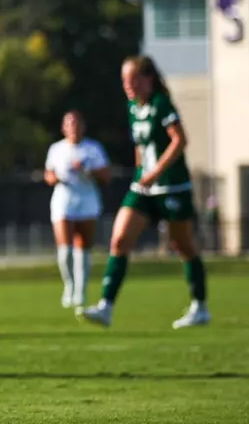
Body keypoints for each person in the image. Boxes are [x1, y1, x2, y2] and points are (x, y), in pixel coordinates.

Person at [80, 56, 211, 329]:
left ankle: (200, 306)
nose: (129, 85)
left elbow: (180, 140)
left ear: (149, 79)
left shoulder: (161, 104)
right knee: (119, 240)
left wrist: (156, 172)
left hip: (172, 186)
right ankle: (106, 306)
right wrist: (142, 173)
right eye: (125, 81)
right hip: (144, 187)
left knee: (182, 245)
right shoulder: (132, 108)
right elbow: (140, 146)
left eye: (134, 79)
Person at [45, 111, 111, 309]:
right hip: (64, 200)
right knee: (65, 250)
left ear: (83, 126)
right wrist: (57, 177)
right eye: (69, 124)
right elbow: (49, 174)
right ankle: (69, 285)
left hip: (87, 200)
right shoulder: (56, 149)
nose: (73, 127)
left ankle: (81, 292)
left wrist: (88, 171)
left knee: (83, 249)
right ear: (64, 127)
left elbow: (106, 175)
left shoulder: (93, 148)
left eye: (76, 123)